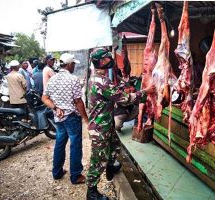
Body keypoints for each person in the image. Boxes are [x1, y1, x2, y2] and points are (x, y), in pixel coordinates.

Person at [86, 48, 155, 200]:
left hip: (105, 124)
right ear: (101, 61)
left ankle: (110, 167)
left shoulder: (95, 78)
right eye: (107, 58)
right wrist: (145, 92)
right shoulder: (101, 81)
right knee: (98, 159)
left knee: (114, 146)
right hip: (99, 128)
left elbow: (114, 92)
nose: (110, 60)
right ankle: (91, 192)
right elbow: (123, 99)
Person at [42, 53, 89, 185]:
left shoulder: (52, 79)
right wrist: (86, 118)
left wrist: (56, 108)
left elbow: (44, 98)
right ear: (69, 64)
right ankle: (75, 176)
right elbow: (78, 102)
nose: (74, 66)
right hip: (72, 118)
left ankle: (57, 172)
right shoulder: (73, 79)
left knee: (60, 144)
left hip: (59, 118)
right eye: (73, 64)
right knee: (75, 145)